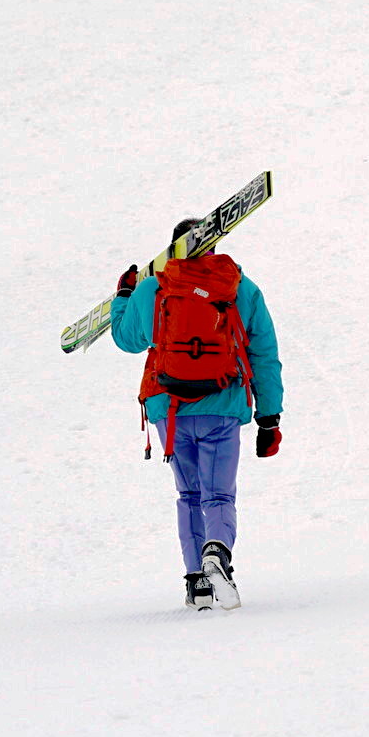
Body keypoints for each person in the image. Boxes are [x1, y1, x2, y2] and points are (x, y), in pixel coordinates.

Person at [111, 219, 283, 609]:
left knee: (189, 494)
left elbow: (126, 339)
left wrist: (124, 294)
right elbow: (264, 356)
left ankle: (197, 584)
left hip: (169, 410)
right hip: (222, 405)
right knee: (218, 494)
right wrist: (269, 418)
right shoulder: (240, 288)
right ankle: (216, 555)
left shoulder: (155, 288)